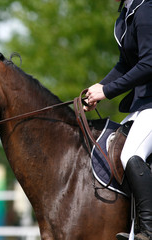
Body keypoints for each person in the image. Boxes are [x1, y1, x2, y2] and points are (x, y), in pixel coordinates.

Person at [84, 0, 152, 239]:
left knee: (130, 153)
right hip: (142, 104)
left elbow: (149, 63)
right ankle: (132, 229)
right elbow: (126, 64)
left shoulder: (145, 9)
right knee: (114, 147)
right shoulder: (127, 13)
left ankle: (149, 230)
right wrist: (100, 87)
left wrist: (108, 91)